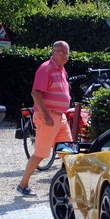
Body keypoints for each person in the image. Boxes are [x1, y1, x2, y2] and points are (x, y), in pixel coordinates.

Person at [16, 41, 73, 196]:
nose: (65, 56)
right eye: (62, 52)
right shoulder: (46, 68)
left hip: (60, 117)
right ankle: (23, 184)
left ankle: (70, 186)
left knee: (68, 153)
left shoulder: (62, 70)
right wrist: (46, 115)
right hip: (48, 116)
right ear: (53, 52)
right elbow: (35, 93)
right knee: (41, 153)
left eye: (67, 53)